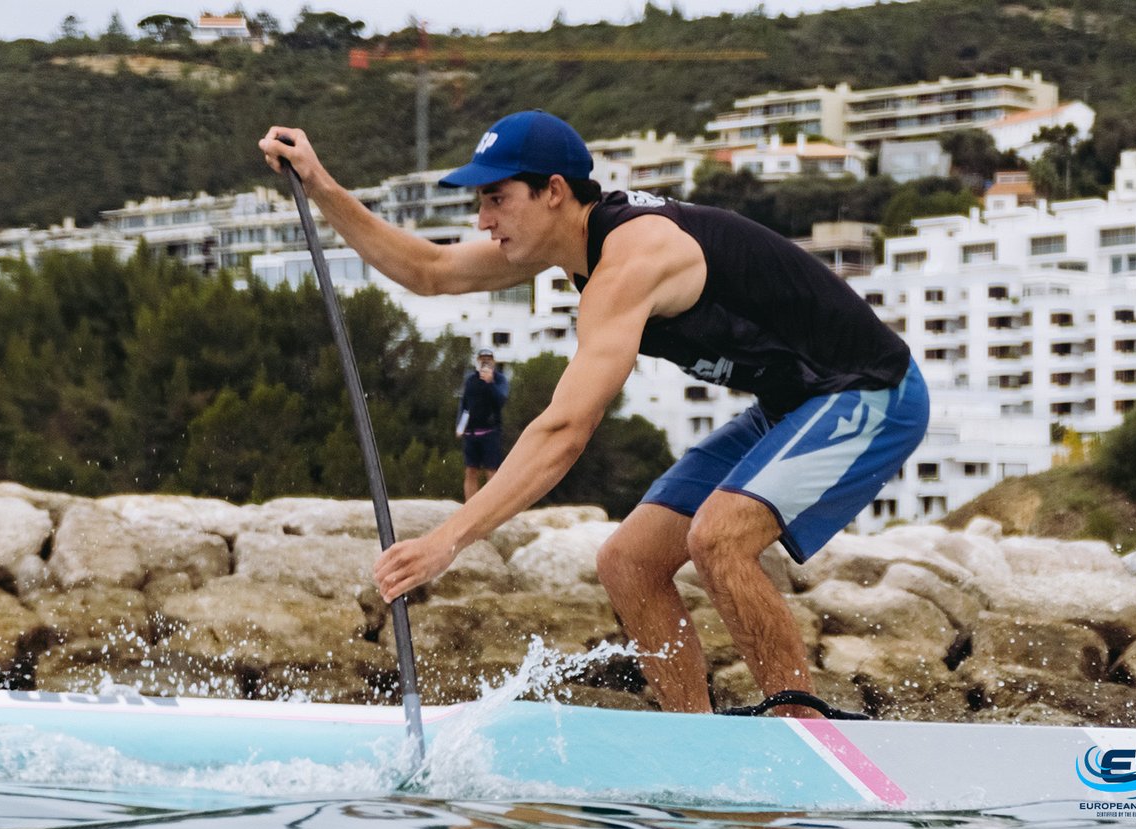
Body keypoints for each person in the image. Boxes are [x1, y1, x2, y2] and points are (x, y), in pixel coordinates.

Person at [260, 111, 927, 718]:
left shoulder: (633, 261)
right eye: (480, 202)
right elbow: (430, 270)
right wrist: (319, 185)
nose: (483, 219)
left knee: (718, 538)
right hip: (789, 406)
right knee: (628, 563)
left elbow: (564, 432)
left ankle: (803, 729)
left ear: (553, 191)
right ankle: (694, 739)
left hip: (872, 392)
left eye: (496, 199)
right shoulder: (575, 246)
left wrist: (450, 539)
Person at [457, 347, 509, 500]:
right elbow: (464, 404)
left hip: (490, 432)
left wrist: (490, 383)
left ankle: (491, 504)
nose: (485, 362)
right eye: (482, 360)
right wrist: (460, 425)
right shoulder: (470, 379)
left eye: (488, 360)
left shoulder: (500, 379)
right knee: (470, 470)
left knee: (491, 471)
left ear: (493, 362)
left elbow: (501, 400)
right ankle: (470, 505)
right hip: (471, 432)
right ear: (477, 361)